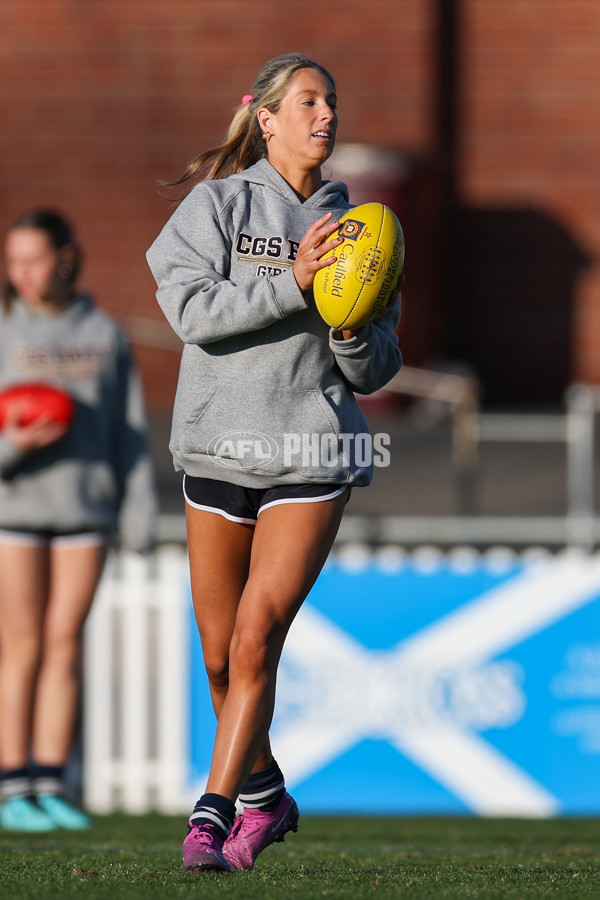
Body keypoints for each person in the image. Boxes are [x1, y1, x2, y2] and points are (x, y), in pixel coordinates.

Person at [146, 52, 403, 873]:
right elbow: (191, 313)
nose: (326, 115)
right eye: (308, 101)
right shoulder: (214, 206)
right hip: (219, 443)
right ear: (263, 116)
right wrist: (294, 283)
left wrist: (356, 335)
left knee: (256, 640)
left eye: (332, 101)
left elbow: (380, 365)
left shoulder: (367, 229)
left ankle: (209, 820)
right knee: (220, 656)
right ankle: (266, 795)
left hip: (312, 449)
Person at [0, 208, 157, 832]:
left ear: (67, 258)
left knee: (65, 646)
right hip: (15, 510)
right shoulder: (4, 331)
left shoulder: (104, 333)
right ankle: (12, 789)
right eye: (13, 264)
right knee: (21, 646)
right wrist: (15, 445)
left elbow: (129, 434)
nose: (24, 275)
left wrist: (138, 511)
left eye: (34, 260)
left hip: (84, 511)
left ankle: (50, 782)